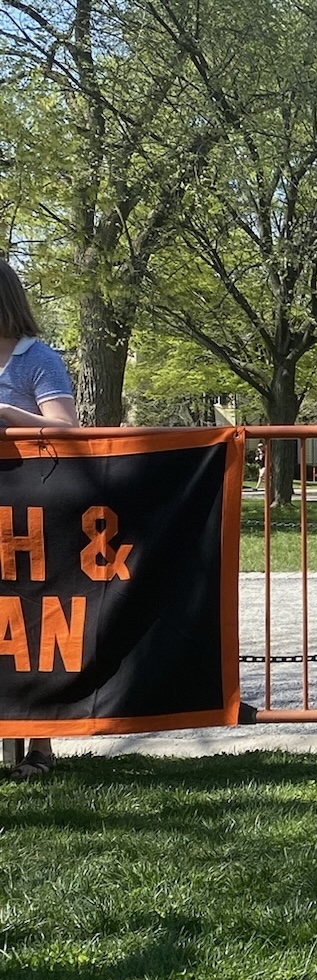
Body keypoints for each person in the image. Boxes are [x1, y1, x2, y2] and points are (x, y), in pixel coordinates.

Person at [0, 260, 80, 781]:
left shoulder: (38, 359)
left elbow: (67, 428)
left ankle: (39, 747)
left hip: (30, 515)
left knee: (31, 622)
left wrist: (7, 415)